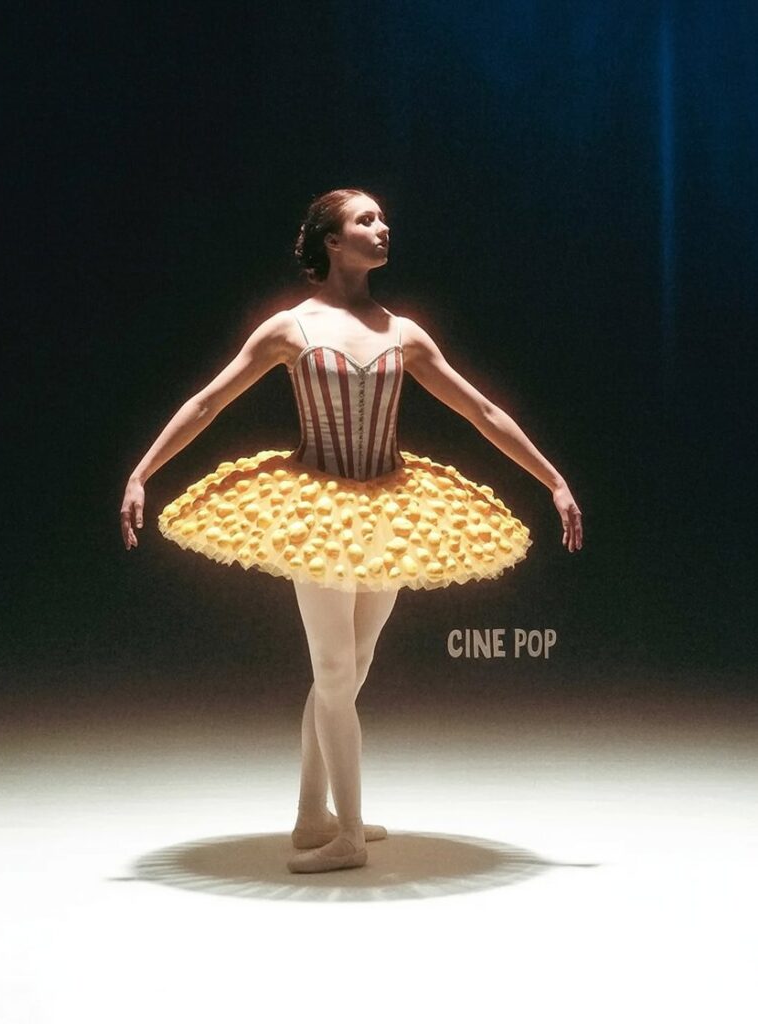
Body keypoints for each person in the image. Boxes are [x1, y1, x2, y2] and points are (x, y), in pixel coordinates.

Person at [120, 187, 583, 874]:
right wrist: (142, 470)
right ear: (331, 241)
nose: (382, 226)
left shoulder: (403, 334)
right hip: (317, 512)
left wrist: (553, 480)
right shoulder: (289, 328)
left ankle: (313, 813)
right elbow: (209, 400)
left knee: (350, 671)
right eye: (365, 220)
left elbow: (482, 411)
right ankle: (347, 835)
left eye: (382, 217)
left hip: (388, 513)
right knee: (334, 670)